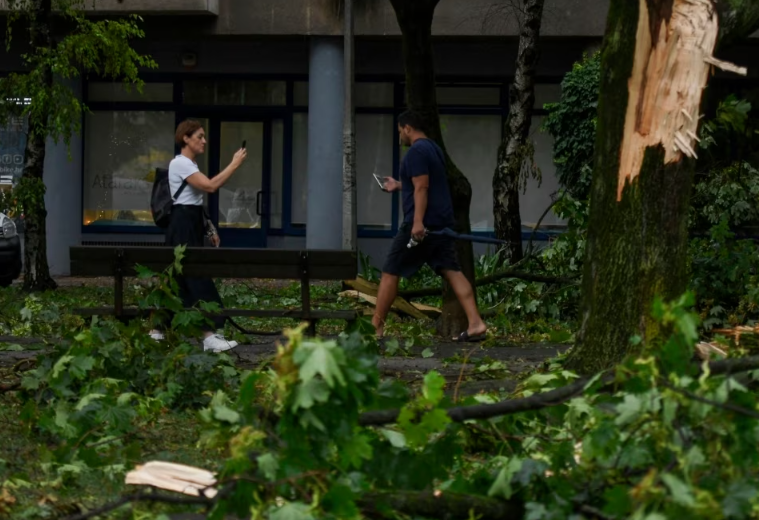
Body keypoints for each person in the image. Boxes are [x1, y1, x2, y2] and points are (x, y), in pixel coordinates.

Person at [373, 110, 487, 342]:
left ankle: (375, 328)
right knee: (453, 271)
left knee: (390, 271)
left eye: (400, 132)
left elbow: (422, 187)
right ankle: (476, 323)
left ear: (407, 128)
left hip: (421, 225)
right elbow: (424, 183)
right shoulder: (434, 149)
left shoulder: (416, 151)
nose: (400, 137)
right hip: (440, 222)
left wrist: (417, 223)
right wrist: (399, 185)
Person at [149, 119, 247, 352]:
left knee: (179, 280)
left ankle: (157, 332)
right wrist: (234, 164)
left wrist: (209, 227)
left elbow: (193, 202)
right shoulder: (180, 163)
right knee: (194, 276)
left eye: (204, 136)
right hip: (182, 227)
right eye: (199, 136)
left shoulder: (189, 164)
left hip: (188, 224)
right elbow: (210, 186)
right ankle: (209, 336)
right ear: (186, 138)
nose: (204, 141)